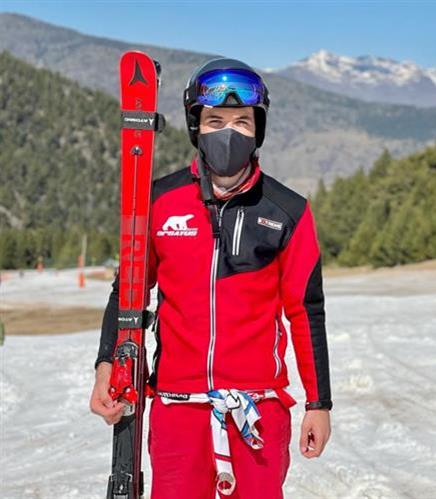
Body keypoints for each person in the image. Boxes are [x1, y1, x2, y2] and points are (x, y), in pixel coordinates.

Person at [90, 58, 332, 499]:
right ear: (195, 126)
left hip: (258, 412)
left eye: (242, 121)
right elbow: (127, 289)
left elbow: (305, 311)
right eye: (215, 120)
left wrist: (319, 403)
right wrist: (107, 362)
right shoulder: (160, 200)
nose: (229, 132)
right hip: (176, 410)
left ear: (259, 129)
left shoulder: (288, 210)